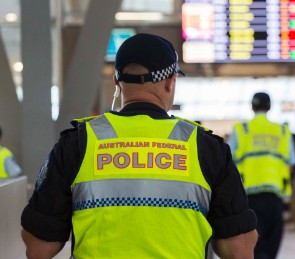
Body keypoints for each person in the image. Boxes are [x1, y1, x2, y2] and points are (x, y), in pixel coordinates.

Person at [20, 33, 258, 259]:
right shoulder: (205, 147)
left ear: (116, 82)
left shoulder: (77, 143)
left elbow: (38, 248)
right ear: (170, 82)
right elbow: (239, 250)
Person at [228, 92, 295, 259]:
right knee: (273, 242)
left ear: (252, 107)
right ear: (269, 107)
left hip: (248, 197)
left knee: (254, 245)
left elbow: (227, 162)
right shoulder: (282, 131)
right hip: (275, 195)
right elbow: (291, 163)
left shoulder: (242, 130)